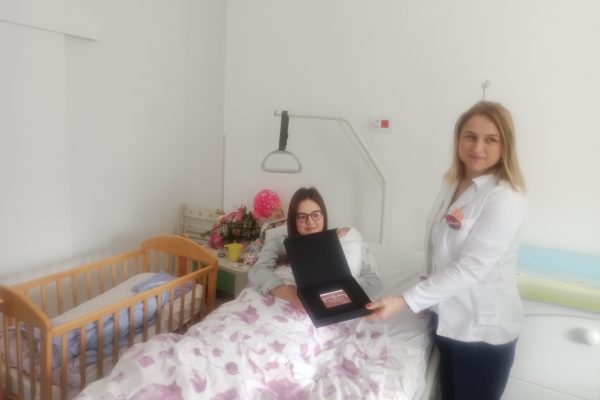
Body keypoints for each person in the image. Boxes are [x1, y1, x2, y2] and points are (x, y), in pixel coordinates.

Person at [366, 101, 526, 400]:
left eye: (491, 139)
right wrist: (425, 289)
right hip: (446, 317)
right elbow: (436, 243)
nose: (478, 147)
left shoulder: (505, 198)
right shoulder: (453, 183)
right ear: (458, 139)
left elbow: (472, 268)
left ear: (505, 146)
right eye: (470, 136)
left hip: (482, 330)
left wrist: (405, 300)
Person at [249, 186, 382, 310]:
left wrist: (338, 289)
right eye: (302, 216)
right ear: (294, 219)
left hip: (318, 311)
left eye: (316, 214)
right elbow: (257, 271)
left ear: (323, 216)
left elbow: (374, 283)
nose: (310, 222)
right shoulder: (281, 242)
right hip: (276, 304)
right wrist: (288, 293)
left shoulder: (341, 245)